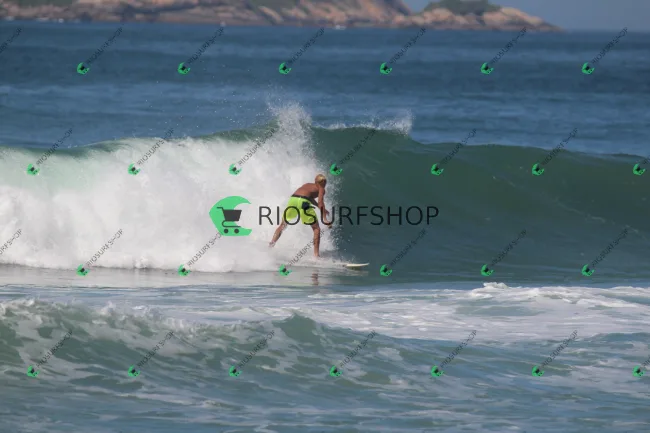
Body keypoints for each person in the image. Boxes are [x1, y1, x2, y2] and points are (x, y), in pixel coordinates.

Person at [269, 174, 333, 257]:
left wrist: (320, 207)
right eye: (324, 182)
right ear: (323, 182)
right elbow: (320, 202)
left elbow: (309, 197)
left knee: (283, 225)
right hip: (303, 202)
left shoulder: (307, 185)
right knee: (316, 229)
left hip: (293, 199)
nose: (324, 184)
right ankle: (316, 256)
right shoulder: (321, 189)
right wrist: (325, 219)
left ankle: (271, 245)